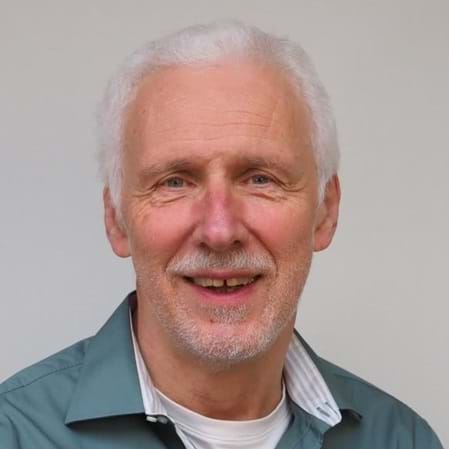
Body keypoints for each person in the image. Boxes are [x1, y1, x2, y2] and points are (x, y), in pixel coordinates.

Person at [0, 21, 443, 449]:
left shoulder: (403, 440)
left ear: (325, 213)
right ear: (116, 220)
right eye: (175, 182)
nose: (219, 230)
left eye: (260, 179)